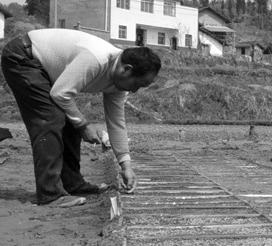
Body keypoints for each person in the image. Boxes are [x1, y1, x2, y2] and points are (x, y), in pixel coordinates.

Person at [1, 29, 161, 207]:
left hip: (43, 67)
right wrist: (84, 124)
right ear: (126, 69)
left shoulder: (118, 83)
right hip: (23, 57)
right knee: (51, 118)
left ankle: (73, 184)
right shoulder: (96, 59)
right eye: (138, 84)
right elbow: (61, 94)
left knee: (71, 119)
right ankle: (50, 194)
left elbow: (116, 123)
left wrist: (126, 165)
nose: (134, 91)